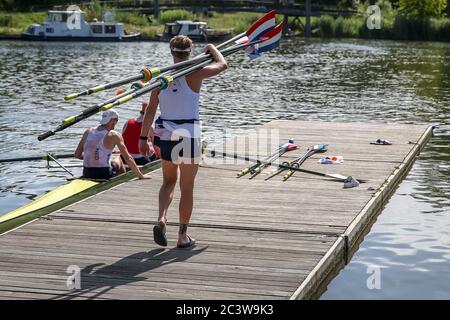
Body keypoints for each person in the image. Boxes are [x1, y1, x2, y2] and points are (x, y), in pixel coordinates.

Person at [139, 35, 228, 248]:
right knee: (187, 187)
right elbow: (223, 64)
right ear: (190, 53)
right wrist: (210, 48)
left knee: (168, 181)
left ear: (171, 53)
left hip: (166, 134)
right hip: (188, 134)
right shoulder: (196, 73)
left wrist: (143, 138)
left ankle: (162, 217)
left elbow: (150, 110)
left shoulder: (160, 78)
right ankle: (182, 236)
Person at [75, 109, 149, 181]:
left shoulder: (88, 131)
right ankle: (121, 180)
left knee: (110, 160)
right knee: (119, 158)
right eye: (116, 121)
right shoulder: (114, 134)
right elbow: (127, 158)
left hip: (86, 173)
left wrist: (93, 158)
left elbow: (77, 155)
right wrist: (140, 175)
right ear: (113, 121)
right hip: (103, 174)